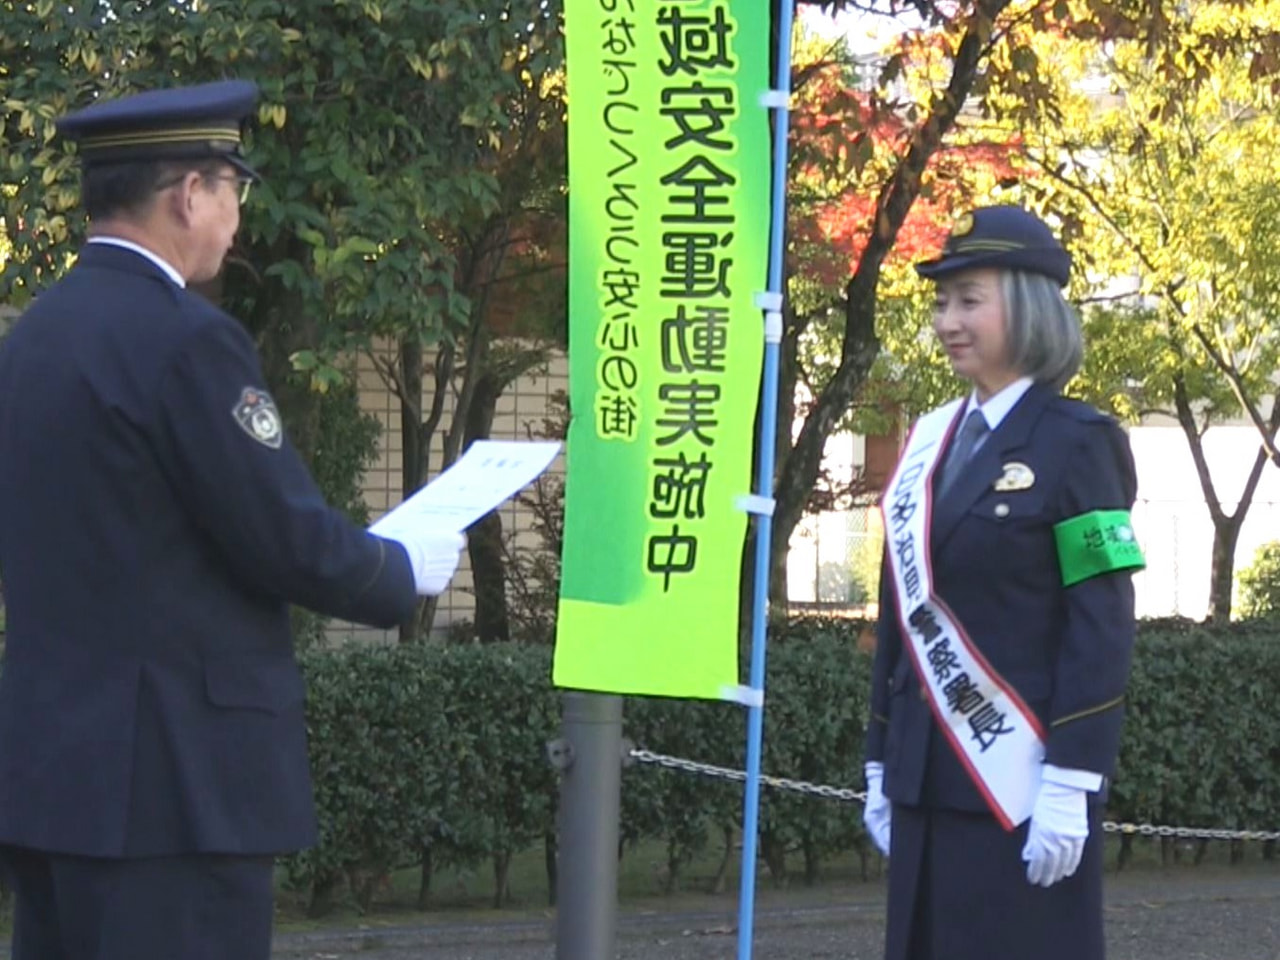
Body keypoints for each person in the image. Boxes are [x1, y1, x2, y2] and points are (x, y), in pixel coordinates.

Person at [0, 80, 465, 960]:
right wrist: (399, 569)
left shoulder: (34, 338)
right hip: (175, 788)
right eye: (233, 193)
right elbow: (279, 533)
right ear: (190, 193)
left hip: (51, 774)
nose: (237, 220)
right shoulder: (188, 340)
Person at [861, 205, 1146, 960]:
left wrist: (1073, 777)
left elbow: (1102, 621)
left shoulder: (1079, 443)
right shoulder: (931, 441)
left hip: (1018, 787)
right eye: (941, 304)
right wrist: (879, 757)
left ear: (1026, 306)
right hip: (928, 781)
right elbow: (901, 611)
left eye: (969, 300)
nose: (948, 322)